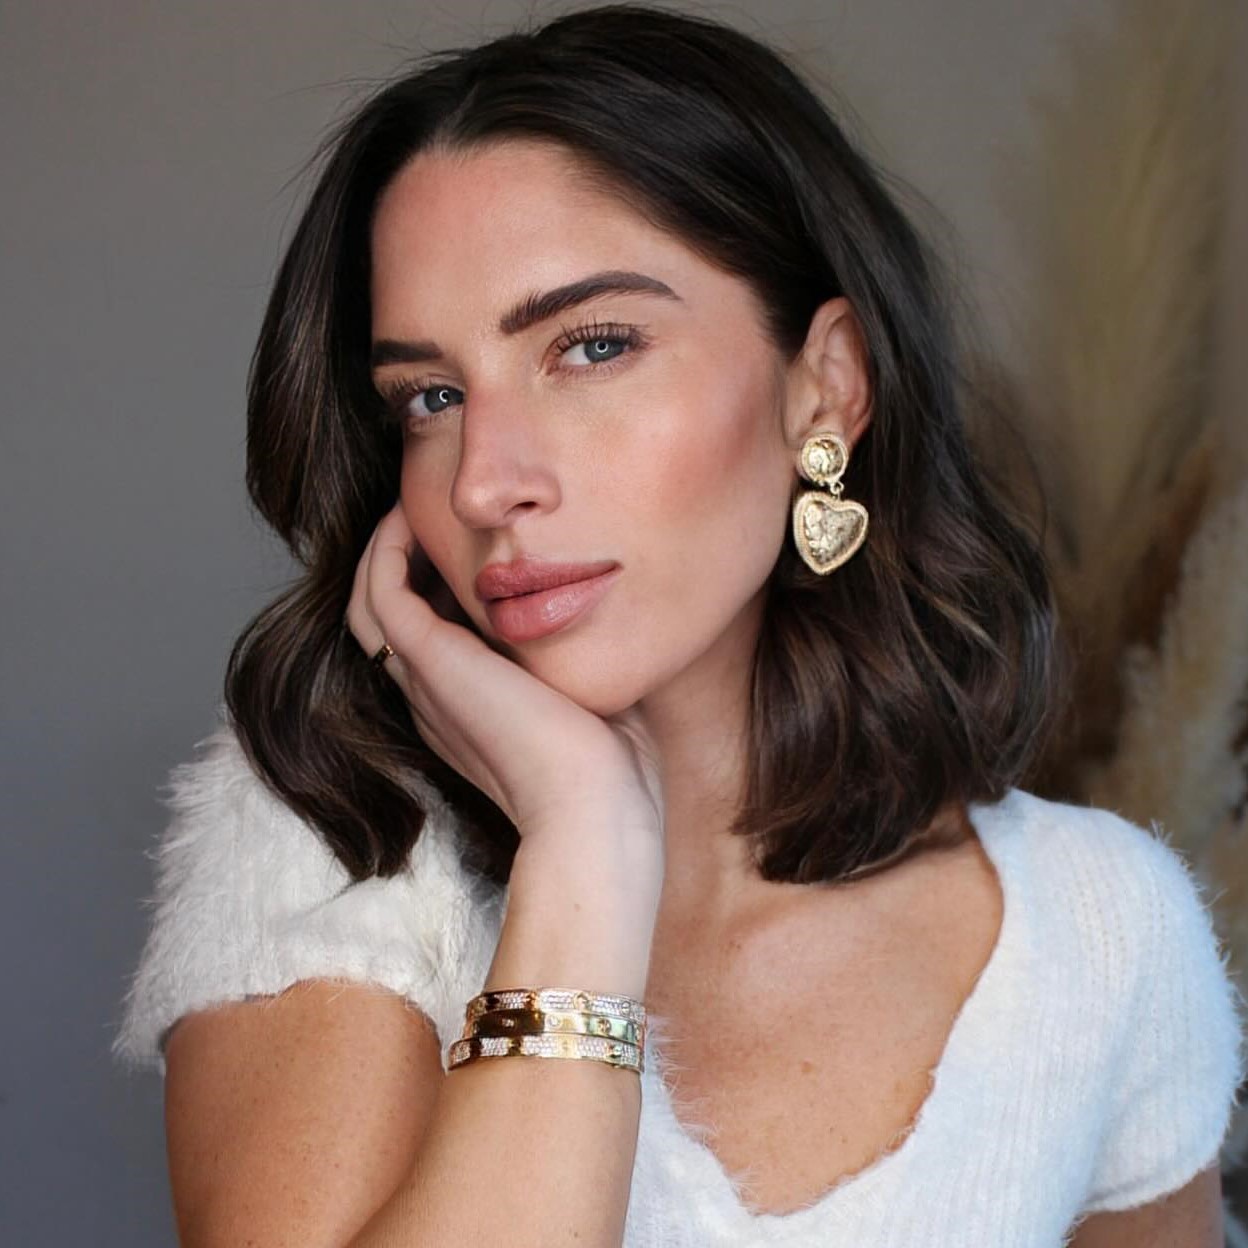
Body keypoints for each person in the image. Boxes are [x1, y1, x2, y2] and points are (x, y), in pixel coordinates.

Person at [112, 5, 1246, 1245]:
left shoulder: (1099, 930)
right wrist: (584, 851)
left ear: (828, 384)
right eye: (430, 397)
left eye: (593, 346)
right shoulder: (336, 841)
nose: (483, 482)